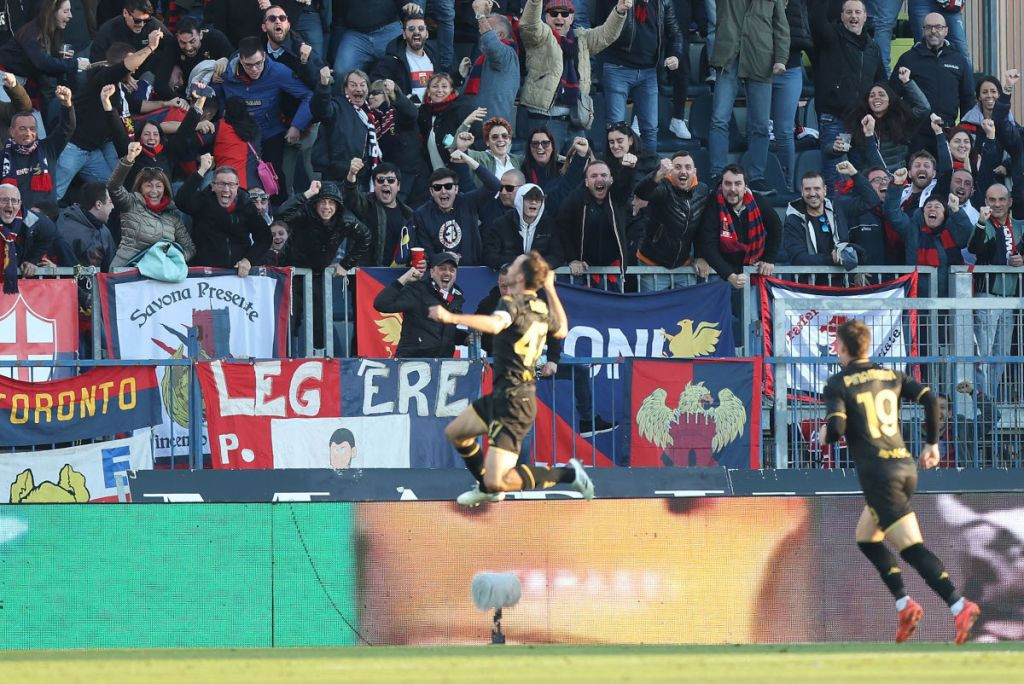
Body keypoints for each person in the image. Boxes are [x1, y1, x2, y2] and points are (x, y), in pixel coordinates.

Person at [818, 318, 980, 644]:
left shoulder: (839, 383)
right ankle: (905, 604)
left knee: (912, 548)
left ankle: (959, 605)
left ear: (844, 347)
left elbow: (834, 430)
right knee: (866, 537)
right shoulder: (890, 375)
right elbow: (931, 399)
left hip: (880, 476)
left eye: (836, 344)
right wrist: (932, 443)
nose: (835, 349)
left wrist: (824, 433)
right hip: (904, 467)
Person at [428, 250, 595, 506]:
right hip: (503, 395)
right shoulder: (539, 307)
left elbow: (496, 325)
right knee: (457, 433)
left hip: (514, 403)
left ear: (520, 277)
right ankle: (486, 487)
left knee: (500, 480)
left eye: (515, 266)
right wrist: (550, 289)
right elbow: (562, 329)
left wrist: (452, 317)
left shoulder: (512, 304)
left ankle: (568, 473)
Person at [518, 0, 630, 151]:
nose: (559, 18)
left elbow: (606, 35)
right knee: (546, 171)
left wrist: (619, 11)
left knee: (578, 168)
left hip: (575, 120)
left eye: (565, 14)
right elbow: (529, 23)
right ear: (546, 17)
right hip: (544, 121)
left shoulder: (581, 38)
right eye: (554, 13)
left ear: (571, 18)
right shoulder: (539, 36)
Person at [707, 0, 788, 196]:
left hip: (761, 58)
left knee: (760, 125)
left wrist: (781, 59)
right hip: (729, 56)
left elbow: (781, 27)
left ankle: (756, 177)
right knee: (719, 119)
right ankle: (717, 174)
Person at [809, 0, 885, 194]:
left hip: (860, 124)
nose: (853, 16)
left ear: (865, 16)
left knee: (860, 181)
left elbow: (882, 84)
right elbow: (817, 20)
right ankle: (836, 222)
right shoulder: (831, 38)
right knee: (836, 180)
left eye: (858, 12)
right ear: (841, 16)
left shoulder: (873, 48)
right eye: (849, 12)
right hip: (836, 119)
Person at [597, 0, 683, 153]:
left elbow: (675, 32)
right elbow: (604, 28)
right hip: (618, 67)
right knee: (615, 129)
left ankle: (649, 172)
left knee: (650, 129)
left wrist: (675, 55)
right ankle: (613, 173)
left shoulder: (663, 2)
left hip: (648, 71)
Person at [892, 11, 975, 155]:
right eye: (929, 27)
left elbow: (967, 99)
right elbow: (892, 94)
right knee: (917, 174)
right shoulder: (908, 59)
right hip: (916, 134)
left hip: (948, 132)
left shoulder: (959, 60)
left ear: (946, 30)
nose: (933, 31)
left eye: (938, 27)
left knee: (947, 176)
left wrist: (963, 132)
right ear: (923, 30)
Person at [175, 154, 271, 275]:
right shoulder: (203, 201)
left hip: (236, 276)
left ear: (237, 187)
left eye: (231, 184)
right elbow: (181, 201)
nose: (226, 189)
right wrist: (202, 170)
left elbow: (265, 237)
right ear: (213, 186)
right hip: (204, 275)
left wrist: (248, 260)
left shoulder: (246, 205)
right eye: (221, 184)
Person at [107, 141, 194, 268]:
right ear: (140, 188)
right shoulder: (131, 203)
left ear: (165, 189)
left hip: (160, 276)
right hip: (127, 270)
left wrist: (173, 259)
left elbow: (189, 249)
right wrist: (129, 159)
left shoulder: (173, 215)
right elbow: (113, 186)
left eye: (158, 186)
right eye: (148, 185)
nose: (154, 191)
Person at [633, 151, 710, 291]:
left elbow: (704, 229)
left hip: (683, 266)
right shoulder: (663, 187)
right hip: (651, 265)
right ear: (670, 171)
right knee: (653, 312)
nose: (683, 171)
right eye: (678, 167)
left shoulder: (703, 191)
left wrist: (701, 256)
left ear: (695, 171)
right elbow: (641, 192)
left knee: (687, 312)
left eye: (688, 167)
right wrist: (657, 175)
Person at [373, 250, 467, 357]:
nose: (447, 273)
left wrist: (465, 338)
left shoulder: (456, 298)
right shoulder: (418, 290)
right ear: (431, 272)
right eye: (442, 269)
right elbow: (381, 304)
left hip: (441, 364)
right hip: (412, 362)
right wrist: (403, 279)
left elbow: (446, 332)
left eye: (452, 270)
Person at [1, 86, 74, 208]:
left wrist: (67, 104)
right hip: (17, 220)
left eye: (32, 129)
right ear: (11, 131)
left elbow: (67, 128)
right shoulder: (3, 157)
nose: (28, 133)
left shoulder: (48, 148)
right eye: (22, 129)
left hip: (48, 220)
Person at [89, 0, 175, 99]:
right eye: (137, 20)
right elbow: (97, 65)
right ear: (125, 13)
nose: (142, 25)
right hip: (114, 79)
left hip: (144, 73)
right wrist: (122, 75)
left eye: (146, 20)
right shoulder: (108, 30)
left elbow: (172, 45)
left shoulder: (153, 25)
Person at [344, 158, 414, 266]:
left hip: (398, 275)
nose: (385, 183)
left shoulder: (409, 214)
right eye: (380, 180)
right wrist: (351, 174)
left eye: (390, 180)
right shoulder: (366, 203)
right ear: (374, 185)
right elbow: (351, 197)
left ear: (398, 185)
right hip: (367, 275)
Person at [462, 2, 519, 126]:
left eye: (488, 30)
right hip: (473, 127)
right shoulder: (485, 58)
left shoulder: (507, 54)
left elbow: (491, 43)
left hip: (493, 131)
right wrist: (461, 76)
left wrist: (481, 16)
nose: (482, 33)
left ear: (500, 35)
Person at [0, 183, 57, 293]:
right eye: (4, 200)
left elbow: (50, 231)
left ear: (20, 203)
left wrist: (32, 260)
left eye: (14, 201)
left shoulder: (33, 220)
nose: (10, 205)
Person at [57, 180, 116, 270]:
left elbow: (111, 267)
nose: (113, 207)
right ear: (99, 204)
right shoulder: (66, 229)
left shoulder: (105, 231)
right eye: (110, 202)